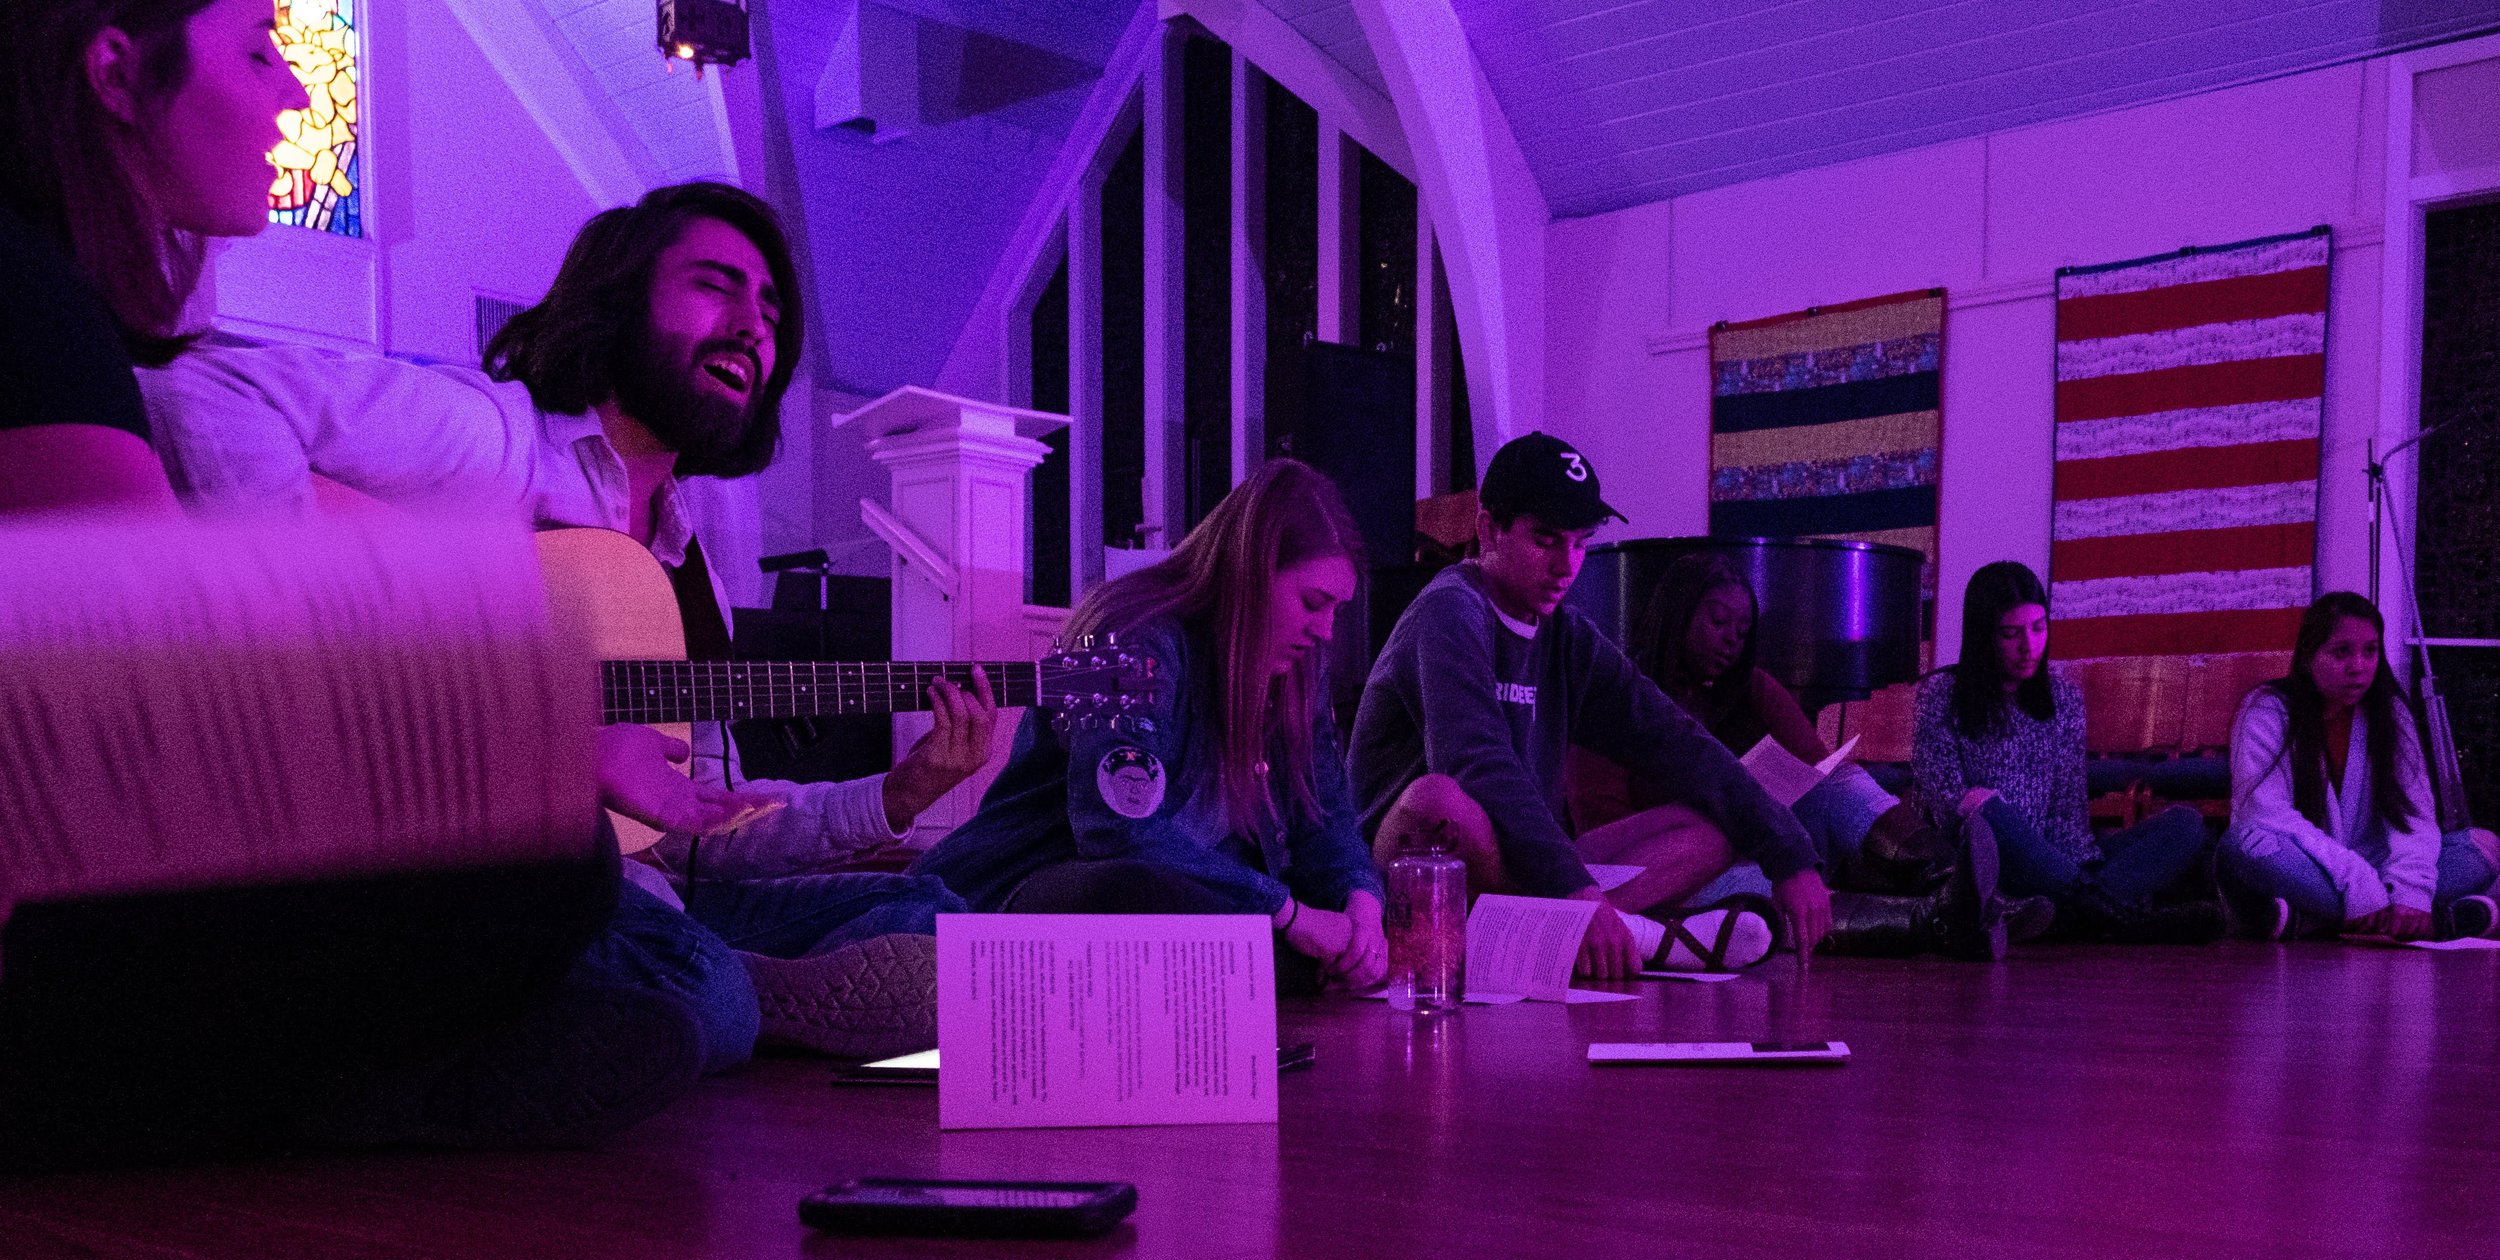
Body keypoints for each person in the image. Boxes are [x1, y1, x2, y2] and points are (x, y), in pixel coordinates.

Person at [0, 0, 728, 1168]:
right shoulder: (31, 301)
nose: (293, 93)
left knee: (600, 906)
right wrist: (542, 734)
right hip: (34, 958)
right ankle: (299, 1097)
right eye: (256, 51)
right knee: (556, 859)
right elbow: (147, 706)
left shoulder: (57, 301)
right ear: (117, 76)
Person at [140, 181, 993, 1065]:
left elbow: (701, 822)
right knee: (704, 988)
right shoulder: (497, 440)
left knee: (927, 912)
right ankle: (721, 988)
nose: (754, 325)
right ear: (618, 300)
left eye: (772, 311)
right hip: (480, 871)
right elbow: (208, 392)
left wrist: (902, 790)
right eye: (715, 285)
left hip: (642, 884)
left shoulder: (683, 564)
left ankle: (700, 982)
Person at [1350, 433, 1830, 978]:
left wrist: (1790, 853)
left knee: (1717, 822)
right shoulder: (1449, 612)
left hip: (1515, 870)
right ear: (1489, 530)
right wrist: (1576, 890)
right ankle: (1637, 937)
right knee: (1442, 800)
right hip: (1413, 873)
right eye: (1546, 540)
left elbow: (1680, 743)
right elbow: (1477, 765)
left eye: (1580, 543)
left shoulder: (1567, 636)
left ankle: (1557, 939)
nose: (1567, 565)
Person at [914, 459, 1389, 995]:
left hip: (1194, 904)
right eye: (1312, 603)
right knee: (1143, 896)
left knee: (1261, 932)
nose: (1325, 630)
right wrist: (1287, 912)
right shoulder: (1136, 634)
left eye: (1336, 611)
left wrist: (1361, 904)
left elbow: (1324, 814)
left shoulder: (1297, 667)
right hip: (1035, 885)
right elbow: (1118, 831)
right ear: (1252, 571)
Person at [1577, 552, 2048, 958]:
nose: (1731, 641)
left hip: (1771, 845)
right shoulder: (1623, 695)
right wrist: (1727, 817)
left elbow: (1818, 765)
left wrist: (1769, 807)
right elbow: (1605, 839)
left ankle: (1954, 883)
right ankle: (1945, 918)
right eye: (1718, 622)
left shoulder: (1752, 686)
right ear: (1677, 615)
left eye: (1743, 630)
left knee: (1837, 782)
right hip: (1678, 873)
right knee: (1766, 885)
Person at [1912, 561, 2220, 942]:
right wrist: (1992, 814)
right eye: (2011, 633)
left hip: (2054, 865)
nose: (2029, 646)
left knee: (2185, 824)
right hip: (1984, 859)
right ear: (1983, 637)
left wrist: (2071, 866)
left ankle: (2080, 911)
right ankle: (2118, 916)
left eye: (2038, 628)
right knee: (1984, 809)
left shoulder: (2063, 697)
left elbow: (2068, 813)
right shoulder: (1940, 693)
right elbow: (1948, 809)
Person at [2218, 592, 2499, 941]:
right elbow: (2268, 815)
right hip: (2309, 867)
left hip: (2380, 873)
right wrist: (2357, 881)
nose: (2359, 666)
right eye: (2341, 652)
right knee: (2243, 844)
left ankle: (2311, 921)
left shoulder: (2390, 713)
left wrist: (2411, 892)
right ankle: (2435, 922)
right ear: (2308, 657)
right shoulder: (2267, 710)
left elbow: (2414, 816)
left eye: (2370, 651)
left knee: (2483, 847)